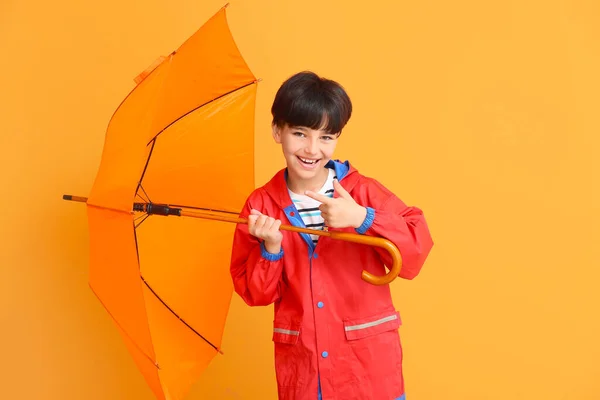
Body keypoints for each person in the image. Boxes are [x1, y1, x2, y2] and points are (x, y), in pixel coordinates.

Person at [229, 71, 433, 400]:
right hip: (304, 373)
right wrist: (270, 249)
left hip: (367, 370)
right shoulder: (261, 205)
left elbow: (414, 253)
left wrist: (362, 218)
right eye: (299, 133)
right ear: (276, 131)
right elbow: (256, 294)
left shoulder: (361, 192)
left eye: (326, 137)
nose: (312, 149)